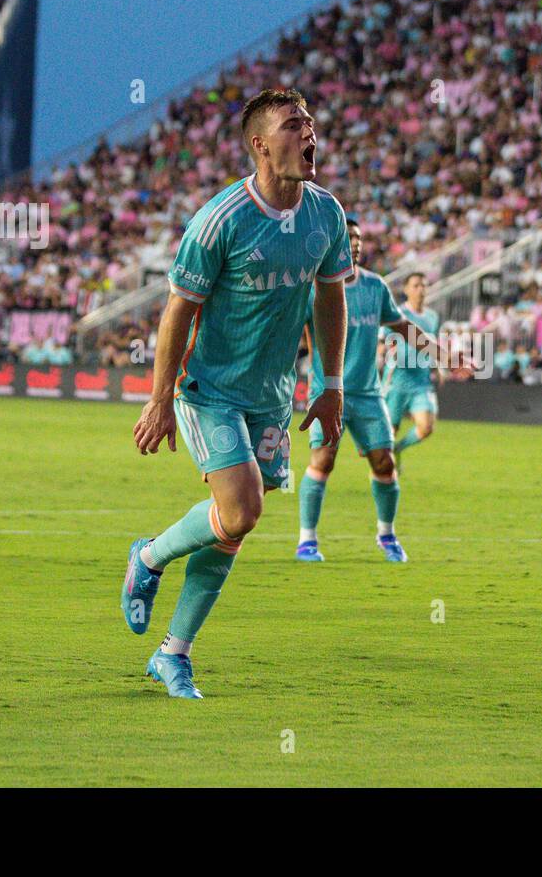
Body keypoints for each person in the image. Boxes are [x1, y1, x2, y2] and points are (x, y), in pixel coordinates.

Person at [123, 88, 352, 698]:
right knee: (244, 508)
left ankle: (174, 653)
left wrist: (330, 385)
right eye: (291, 126)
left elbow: (331, 296)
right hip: (210, 388)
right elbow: (178, 312)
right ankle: (147, 559)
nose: (308, 134)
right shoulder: (219, 220)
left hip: (273, 395)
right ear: (259, 145)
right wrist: (160, 397)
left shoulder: (325, 215)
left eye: (309, 122)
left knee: (232, 526)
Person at [295, 219, 436, 564]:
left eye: (358, 238)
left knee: (384, 463)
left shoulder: (375, 286)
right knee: (323, 460)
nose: (355, 243)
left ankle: (387, 535)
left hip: (368, 395)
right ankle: (307, 541)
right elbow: (294, 332)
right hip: (326, 391)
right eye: (348, 238)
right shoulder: (314, 287)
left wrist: (443, 354)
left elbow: (402, 327)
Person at [383, 272, 441, 464]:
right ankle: (383, 470)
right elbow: (383, 339)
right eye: (416, 285)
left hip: (421, 381)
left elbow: (433, 344)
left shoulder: (433, 317)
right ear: (406, 289)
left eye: (424, 285)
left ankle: (398, 449)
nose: (420, 290)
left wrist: (437, 367)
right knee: (390, 431)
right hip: (397, 380)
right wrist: (388, 351)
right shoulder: (397, 313)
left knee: (426, 427)